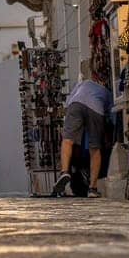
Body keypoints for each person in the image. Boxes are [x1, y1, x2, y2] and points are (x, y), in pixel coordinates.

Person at [52, 66, 112, 198]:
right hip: (96, 108)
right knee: (95, 149)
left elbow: (68, 103)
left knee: (67, 140)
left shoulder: (82, 84)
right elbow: (109, 112)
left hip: (76, 104)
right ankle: (92, 188)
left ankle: (64, 171)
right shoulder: (106, 92)